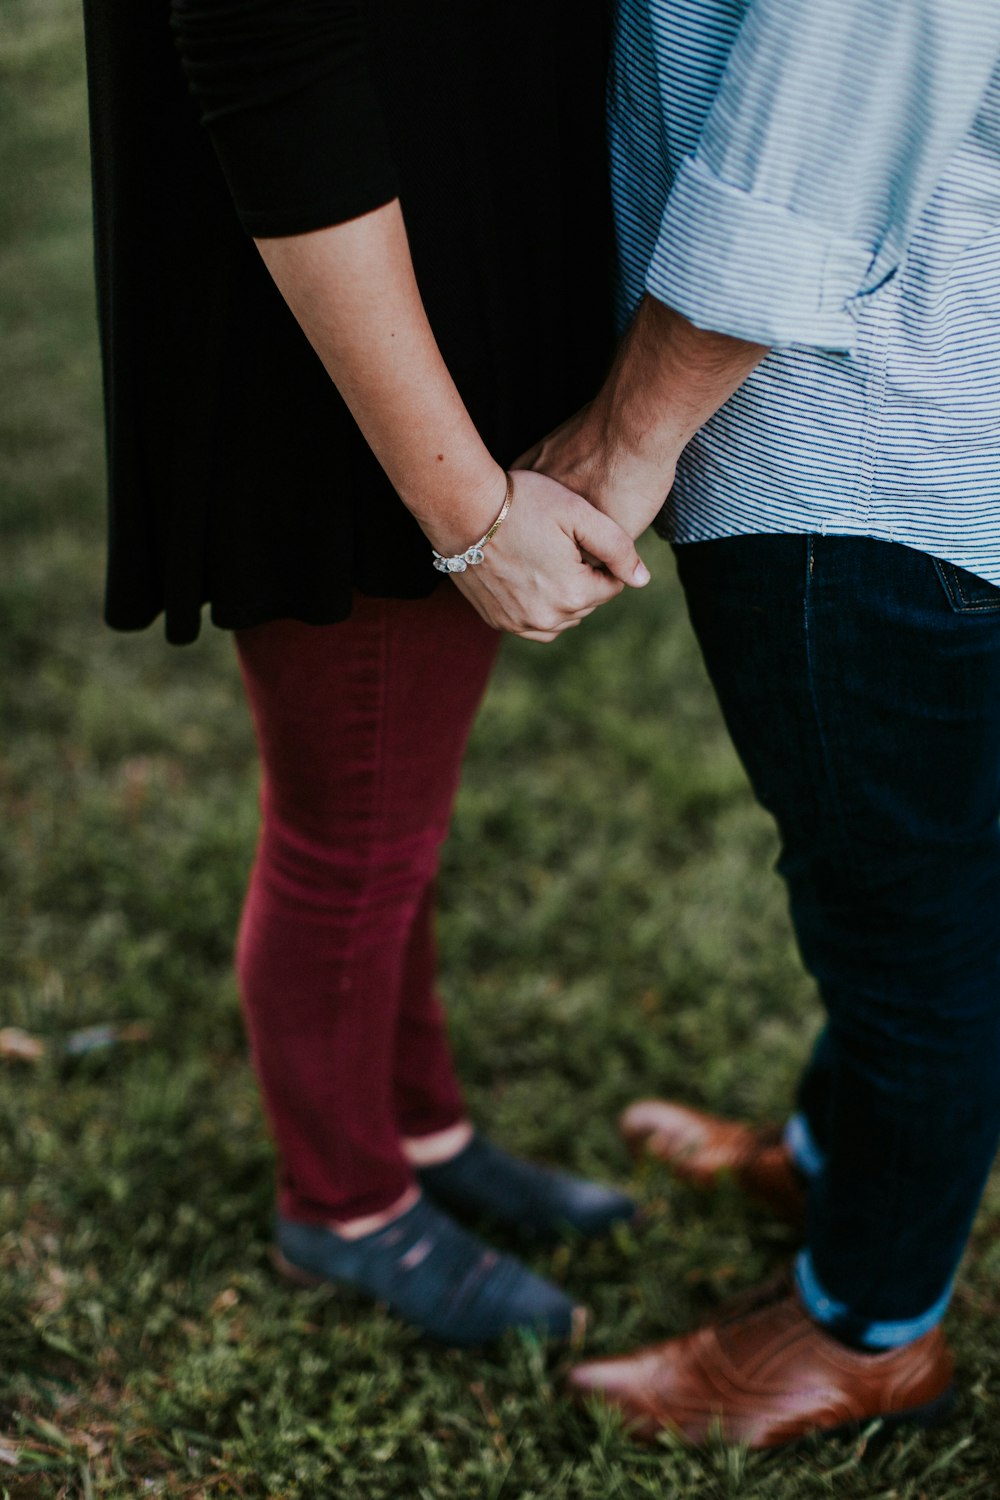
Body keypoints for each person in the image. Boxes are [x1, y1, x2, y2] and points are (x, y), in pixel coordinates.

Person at [80, 0, 645, 1348]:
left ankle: (421, 1125)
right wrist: (470, 516)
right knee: (353, 834)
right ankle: (340, 1204)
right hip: (337, 347)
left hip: (430, 283)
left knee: (394, 803)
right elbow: (269, 58)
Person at [521, 0, 1000, 1448]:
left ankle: (869, 1328)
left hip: (859, 430)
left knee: (905, 907)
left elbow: (844, 76)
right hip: (918, 379)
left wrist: (633, 430)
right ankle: (831, 1150)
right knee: (911, 865)